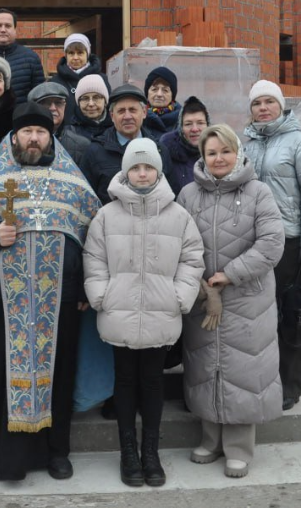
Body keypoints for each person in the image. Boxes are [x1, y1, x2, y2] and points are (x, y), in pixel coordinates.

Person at [0, 103, 111, 482]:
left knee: (60, 376)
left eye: (40, 132)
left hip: (62, 299)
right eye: (26, 132)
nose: (33, 138)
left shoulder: (73, 184)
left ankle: (57, 452)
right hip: (1, 299)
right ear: (14, 138)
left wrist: (88, 281)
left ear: (50, 137)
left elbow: (95, 235)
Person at [83, 138, 205, 487]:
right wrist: (100, 294)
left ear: (158, 170)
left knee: (152, 383)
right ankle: (128, 452)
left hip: (159, 312)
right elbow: (94, 259)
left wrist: (180, 296)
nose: (141, 173)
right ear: (125, 171)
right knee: (124, 382)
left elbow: (191, 258)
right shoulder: (107, 216)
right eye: (135, 167)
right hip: (118, 311)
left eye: (147, 166)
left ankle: (150, 451)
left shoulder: (178, 215)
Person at [177, 123, 284, 478]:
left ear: (237, 152)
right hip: (203, 297)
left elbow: (271, 244)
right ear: (202, 157)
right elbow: (178, 242)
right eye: (211, 153)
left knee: (242, 370)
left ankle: (239, 447)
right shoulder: (189, 195)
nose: (219, 158)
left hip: (246, 299)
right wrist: (202, 283)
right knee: (206, 366)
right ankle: (211, 439)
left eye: (225, 151)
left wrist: (230, 273)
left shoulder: (258, 192)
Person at [243, 80, 301, 411]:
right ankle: (262, 379)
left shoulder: (300, 143)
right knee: (260, 314)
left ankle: (290, 385)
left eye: (269, 102)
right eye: (256, 103)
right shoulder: (245, 143)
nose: (263, 108)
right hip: (254, 242)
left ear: (281, 106)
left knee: (292, 315)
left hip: (290, 242)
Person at [80, 84, 176, 206]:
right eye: (121, 111)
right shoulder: (94, 152)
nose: (127, 116)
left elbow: (171, 195)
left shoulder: (159, 150)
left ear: (144, 112)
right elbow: (85, 201)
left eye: (132, 110)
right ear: (112, 116)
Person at [28, 82, 90, 166]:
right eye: (46, 103)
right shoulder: (21, 141)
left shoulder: (81, 145)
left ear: (65, 106)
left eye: (58, 103)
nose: (53, 108)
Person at [50, 33, 109, 122]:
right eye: (71, 53)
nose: (75, 57)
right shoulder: (55, 82)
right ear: (66, 55)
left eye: (80, 53)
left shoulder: (101, 79)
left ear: (87, 54)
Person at [160, 96, 210, 192]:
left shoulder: (218, 154)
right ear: (181, 128)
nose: (195, 129)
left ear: (208, 125)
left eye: (200, 123)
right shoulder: (167, 154)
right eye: (188, 124)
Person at [71, 74, 113, 141]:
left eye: (96, 97)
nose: (91, 104)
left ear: (105, 101)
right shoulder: (69, 133)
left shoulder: (118, 129)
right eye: (85, 98)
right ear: (78, 103)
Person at [142, 67, 180, 136]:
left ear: (172, 95)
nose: (159, 94)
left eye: (165, 90)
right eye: (154, 89)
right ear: (147, 93)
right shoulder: (138, 117)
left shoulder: (183, 120)